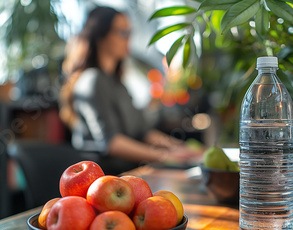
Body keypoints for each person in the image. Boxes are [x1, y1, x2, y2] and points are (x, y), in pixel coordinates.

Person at [59, 6, 202, 173]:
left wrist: (180, 149)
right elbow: (111, 143)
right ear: (102, 35)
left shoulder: (118, 84)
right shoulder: (92, 80)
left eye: (129, 33)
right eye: (122, 33)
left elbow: (143, 131)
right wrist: (165, 156)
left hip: (127, 174)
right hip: (104, 178)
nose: (128, 39)